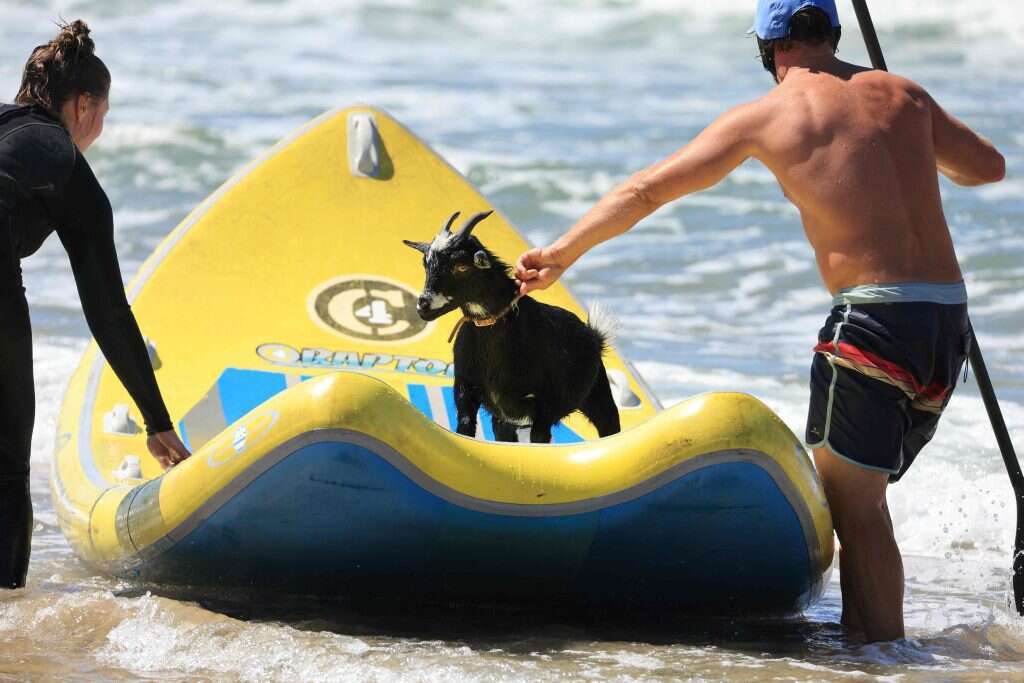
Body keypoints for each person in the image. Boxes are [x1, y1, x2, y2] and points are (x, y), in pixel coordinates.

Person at [514, 0, 1005, 642]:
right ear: (832, 33)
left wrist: (559, 255)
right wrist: (906, 140)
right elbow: (987, 168)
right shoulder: (904, 94)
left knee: (857, 509)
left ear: (768, 48)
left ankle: (882, 658)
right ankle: (873, 645)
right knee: (865, 499)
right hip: (944, 329)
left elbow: (645, 191)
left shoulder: (767, 117)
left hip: (872, 327)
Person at [1, 20, 191, 589]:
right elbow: (108, 311)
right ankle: (9, 618)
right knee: (8, 466)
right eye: (103, 115)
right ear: (83, 105)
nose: (99, 130)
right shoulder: (63, 162)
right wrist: (157, 421)